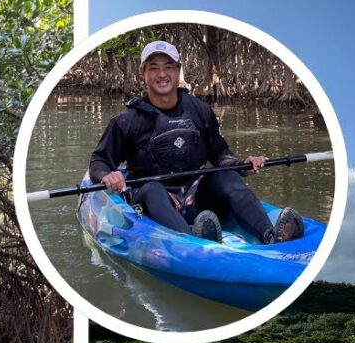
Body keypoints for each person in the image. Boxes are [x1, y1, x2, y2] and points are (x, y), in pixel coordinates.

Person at [89, 40, 304, 244]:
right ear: (143, 73)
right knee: (153, 189)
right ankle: (192, 241)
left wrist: (242, 166)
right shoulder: (126, 120)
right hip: (152, 203)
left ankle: (271, 236)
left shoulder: (199, 110)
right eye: (153, 68)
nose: (162, 74)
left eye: (168, 67)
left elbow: (220, 153)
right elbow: (99, 161)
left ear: (178, 70)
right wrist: (108, 175)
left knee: (226, 175)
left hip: (196, 198)